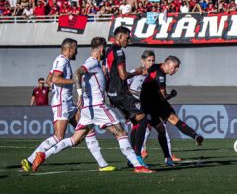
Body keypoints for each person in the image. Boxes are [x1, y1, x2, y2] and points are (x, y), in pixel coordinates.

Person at [31, 37, 153, 173]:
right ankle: (138, 166)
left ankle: (43, 155)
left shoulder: (96, 65)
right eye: (105, 49)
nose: (106, 52)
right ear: (101, 49)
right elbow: (78, 72)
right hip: (97, 107)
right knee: (121, 132)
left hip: (87, 110)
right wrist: (79, 92)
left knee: (74, 140)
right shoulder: (92, 63)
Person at [21, 38, 115, 172]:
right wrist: (73, 81)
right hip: (62, 103)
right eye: (75, 49)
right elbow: (54, 78)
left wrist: (56, 88)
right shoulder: (62, 61)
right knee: (59, 136)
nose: (77, 51)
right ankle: (30, 160)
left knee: (88, 129)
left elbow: (49, 79)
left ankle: (102, 164)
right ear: (69, 49)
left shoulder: (61, 60)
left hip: (67, 103)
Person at [139, 56, 204, 160]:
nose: (177, 70)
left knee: (171, 121)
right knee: (150, 128)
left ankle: (194, 137)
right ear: (168, 64)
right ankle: (140, 153)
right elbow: (162, 96)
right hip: (150, 104)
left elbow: (146, 71)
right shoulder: (160, 76)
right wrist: (172, 94)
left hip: (154, 101)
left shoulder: (157, 67)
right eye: (176, 67)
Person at [104, 26, 152, 167]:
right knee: (143, 119)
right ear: (119, 37)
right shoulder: (119, 52)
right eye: (127, 37)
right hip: (120, 93)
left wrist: (109, 93)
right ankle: (137, 157)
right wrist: (137, 72)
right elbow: (123, 75)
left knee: (136, 121)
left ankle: (133, 160)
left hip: (113, 93)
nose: (129, 40)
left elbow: (106, 73)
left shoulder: (108, 51)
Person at [127, 50, 181, 163]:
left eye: (153, 60)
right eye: (148, 60)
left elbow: (159, 95)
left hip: (148, 107)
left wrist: (167, 97)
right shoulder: (135, 72)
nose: (151, 63)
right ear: (143, 61)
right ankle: (136, 156)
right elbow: (124, 86)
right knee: (138, 129)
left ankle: (167, 156)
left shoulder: (154, 74)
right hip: (135, 106)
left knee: (160, 128)